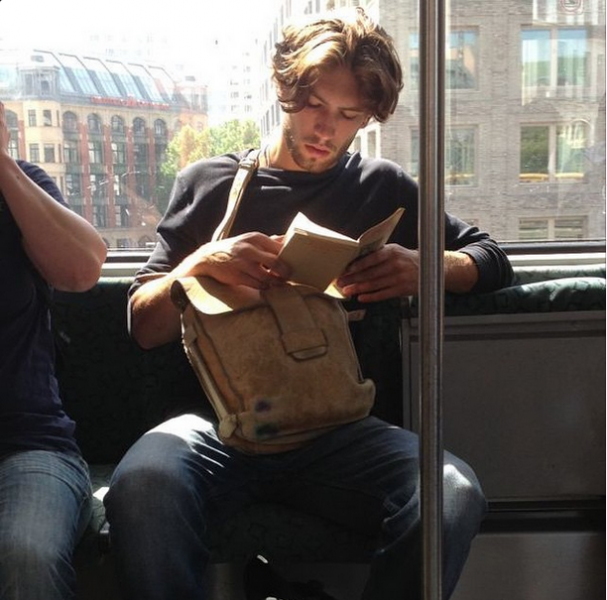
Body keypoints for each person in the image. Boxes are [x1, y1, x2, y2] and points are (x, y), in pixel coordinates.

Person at [104, 8, 513, 600]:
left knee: (452, 492)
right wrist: (201, 265)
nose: (327, 129)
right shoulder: (209, 184)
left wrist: (426, 268)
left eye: (350, 116)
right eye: (315, 105)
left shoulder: (382, 187)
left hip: (337, 427)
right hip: (216, 426)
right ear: (285, 91)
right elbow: (143, 326)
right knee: (142, 484)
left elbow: (492, 256)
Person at [0, 101, 107, 599]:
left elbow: (83, 269)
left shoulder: (19, 187)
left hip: (31, 444)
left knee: (29, 557)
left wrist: (3, 166)